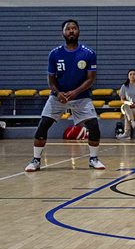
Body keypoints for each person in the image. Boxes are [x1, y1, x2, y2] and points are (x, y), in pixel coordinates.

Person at [25, 20, 105, 171]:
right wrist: (57, 93)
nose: (71, 31)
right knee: (43, 125)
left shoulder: (88, 53)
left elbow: (90, 79)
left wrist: (76, 92)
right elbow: (51, 79)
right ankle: (36, 160)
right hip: (58, 97)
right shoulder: (54, 54)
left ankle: (93, 159)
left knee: (94, 126)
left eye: (74, 28)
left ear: (79, 32)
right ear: (62, 33)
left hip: (81, 97)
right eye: (68, 29)